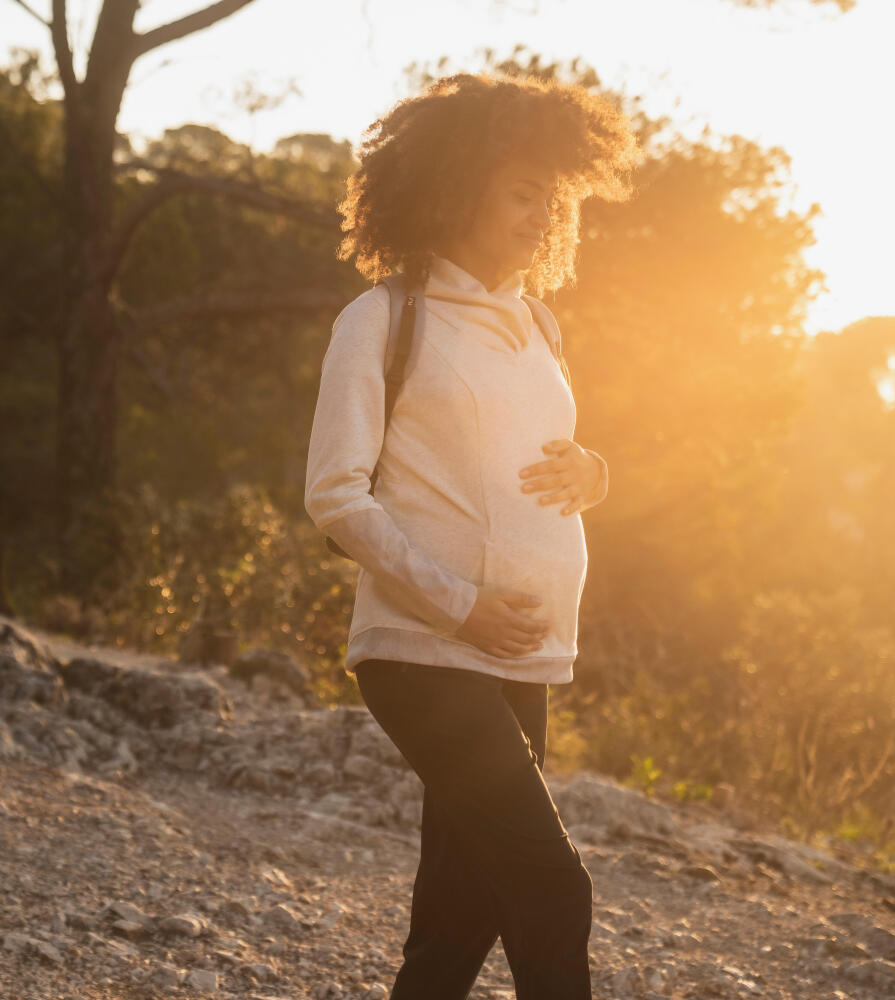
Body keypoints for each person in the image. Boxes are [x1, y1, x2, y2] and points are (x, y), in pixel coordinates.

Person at [304, 71, 639, 1000]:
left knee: (458, 920)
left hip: (521, 656)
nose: (544, 213)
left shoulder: (538, 324)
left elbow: (546, 461)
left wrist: (595, 472)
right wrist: (462, 607)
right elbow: (335, 498)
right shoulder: (380, 320)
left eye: (553, 195)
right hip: (424, 653)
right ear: (456, 189)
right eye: (522, 190)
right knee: (550, 888)